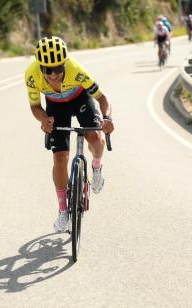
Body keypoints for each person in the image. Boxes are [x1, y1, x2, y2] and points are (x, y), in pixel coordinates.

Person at [25, 36, 114, 232]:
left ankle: (97, 168)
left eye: (58, 68)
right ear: (40, 67)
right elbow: (35, 106)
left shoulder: (77, 71)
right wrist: (44, 120)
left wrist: (107, 118)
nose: (53, 75)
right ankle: (63, 210)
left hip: (79, 98)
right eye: (47, 70)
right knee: (60, 158)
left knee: (95, 138)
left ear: (65, 64)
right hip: (56, 106)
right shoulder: (32, 75)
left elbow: (102, 98)